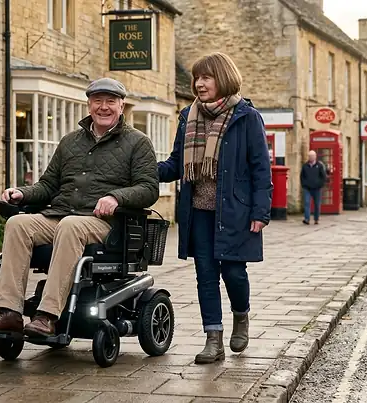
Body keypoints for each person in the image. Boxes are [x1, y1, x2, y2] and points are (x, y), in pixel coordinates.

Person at [0, 77, 159, 338]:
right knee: (18, 224)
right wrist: (22, 193)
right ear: (89, 105)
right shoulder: (71, 141)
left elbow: (149, 188)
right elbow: (48, 185)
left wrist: (116, 197)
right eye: (97, 101)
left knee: (71, 227)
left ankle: (47, 315)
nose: (103, 107)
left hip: (105, 222)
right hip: (60, 215)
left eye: (110, 101)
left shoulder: (137, 142)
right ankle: (9, 313)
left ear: (121, 105)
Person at [158, 52, 273, 364]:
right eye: (197, 78)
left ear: (222, 79)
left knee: (234, 273)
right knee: (205, 275)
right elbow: (176, 163)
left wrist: (260, 212)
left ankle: (241, 317)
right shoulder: (188, 116)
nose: (198, 83)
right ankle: (213, 338)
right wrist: (144, 169)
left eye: (206, 77)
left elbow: (261, 168)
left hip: (235, 210)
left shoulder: (246, 117)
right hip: (198, 212)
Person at [300, 150, 327, 224]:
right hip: (307, 188)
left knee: (317, 204)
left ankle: (316, 219)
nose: (311, 157)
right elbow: (302, 176)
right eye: (310, 156)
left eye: (312, 156)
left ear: (315, 157)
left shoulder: (320, 165)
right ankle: (307, 219)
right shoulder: (305, 166)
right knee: (307, 203)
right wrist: (304, 184)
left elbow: (324, 177)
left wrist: (320, 184)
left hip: (317, 188)